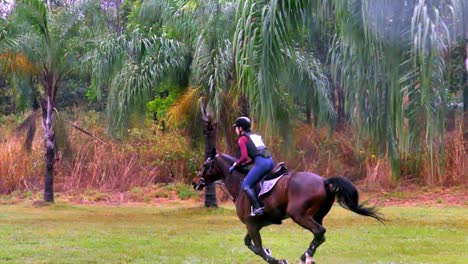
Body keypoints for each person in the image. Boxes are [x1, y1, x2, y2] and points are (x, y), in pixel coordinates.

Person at [229, 116, 274, 216]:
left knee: (245, 185)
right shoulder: (255, 136)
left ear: (241, 128)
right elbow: (256, 156)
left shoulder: (242, 139)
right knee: (257, 182)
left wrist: (235, 164)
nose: (236, 130)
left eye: (236, 128)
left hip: (262, 164)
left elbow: (244, 156)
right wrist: (244, 165)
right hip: (270, 161)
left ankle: (258, 208)